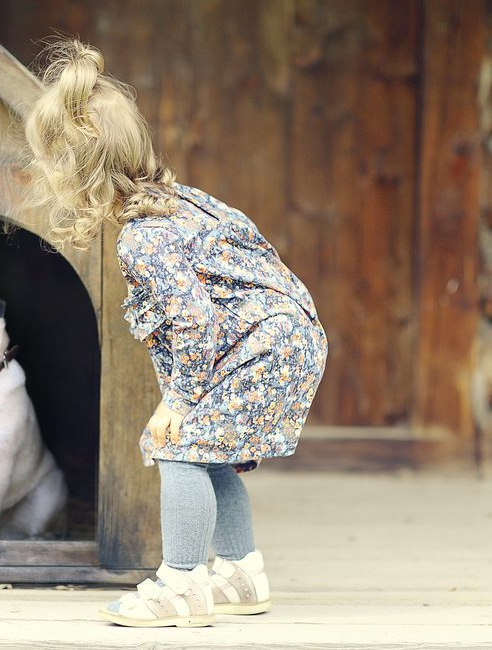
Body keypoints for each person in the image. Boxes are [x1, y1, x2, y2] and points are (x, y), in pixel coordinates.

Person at [23, 38, 328, 628]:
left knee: (180, 447)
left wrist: (180, 399)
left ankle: (180, 585)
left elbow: (192, 322)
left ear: (75, 171)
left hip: (261, 348)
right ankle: (241, 574)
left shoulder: (144, 237)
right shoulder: (182, 204)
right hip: (287, 339)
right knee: (212, 455)